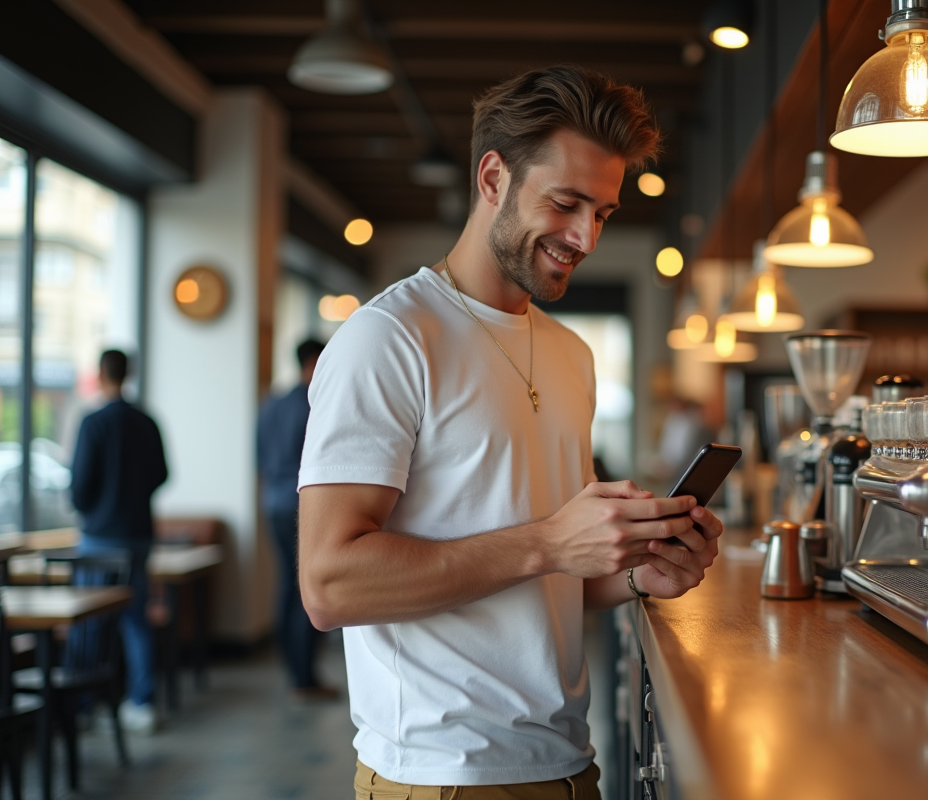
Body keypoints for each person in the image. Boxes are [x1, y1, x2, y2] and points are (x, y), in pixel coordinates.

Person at [298, 65, 723, 798]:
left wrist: (633, 572)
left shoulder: (572, 355)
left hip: (567, 765)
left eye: (603, 212)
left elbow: (546, 576)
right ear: (493, 178)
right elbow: (329, 584)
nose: (586, 236)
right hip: (441, 777)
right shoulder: (389, 338)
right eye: (565, 203)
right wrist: (551, 542)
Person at [70, 349, 168, 733]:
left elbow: (79, 487)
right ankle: (142, 702)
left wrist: (96, 507)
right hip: (138, 534)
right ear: (129, 373)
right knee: (135, 619)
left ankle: (82, 703)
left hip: (99, 537)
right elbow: (161, 473)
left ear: (100, 374)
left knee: (89, 622)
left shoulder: (92, 423)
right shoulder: (147, 421)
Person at [257, 339, 338, 700]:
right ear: (314, 361)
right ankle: (304, 678)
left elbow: (258, 458)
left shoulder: (270, 405)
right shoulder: (314, 403)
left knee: (288, 586)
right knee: (309, 588)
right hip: (302, 507)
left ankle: (293, 670)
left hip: (273, 503)